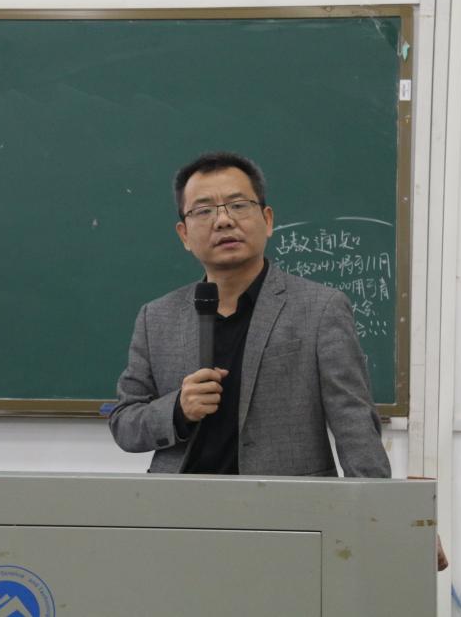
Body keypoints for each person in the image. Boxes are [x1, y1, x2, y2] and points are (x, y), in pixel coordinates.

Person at [108, 151, 391, 478]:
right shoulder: (156, 317)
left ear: (267, 220)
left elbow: (353, 420)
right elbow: (125, 423)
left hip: (285, 502)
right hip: (181, 502)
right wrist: (177, 410)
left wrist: (376, 506)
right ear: (184, 235)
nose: (224, 221)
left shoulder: (320, 308)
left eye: (238, 205)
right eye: (204, 210)